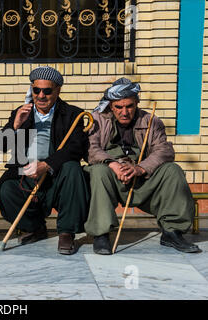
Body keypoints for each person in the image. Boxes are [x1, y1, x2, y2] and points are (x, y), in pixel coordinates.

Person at [85, 77, 201, 254]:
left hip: (141, 178)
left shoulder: (151, 121)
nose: (125, 112)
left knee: (172, 170)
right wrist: (113, 164)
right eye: (119, 107)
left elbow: (164, 151)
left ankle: (172, 232)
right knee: (98, 171)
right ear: (110, 106)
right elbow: (90, 150)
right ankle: (101, 235)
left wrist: (140, 168)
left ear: (136, 103)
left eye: (129, 106)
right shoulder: (97, 120)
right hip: (111, 177)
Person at [0, 66, 90, 255]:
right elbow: (0, 145)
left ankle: (66, 232)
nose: (41, 95)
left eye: (47, 91)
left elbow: (76, 148)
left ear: (58, 90)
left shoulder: (72, 114)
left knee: (73, 169)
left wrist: (47, 165)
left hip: (56, 172)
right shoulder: (21, 113)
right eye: (36, 90)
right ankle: (35, 228)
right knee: (6, 190)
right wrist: (15, 125)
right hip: (26, 173)